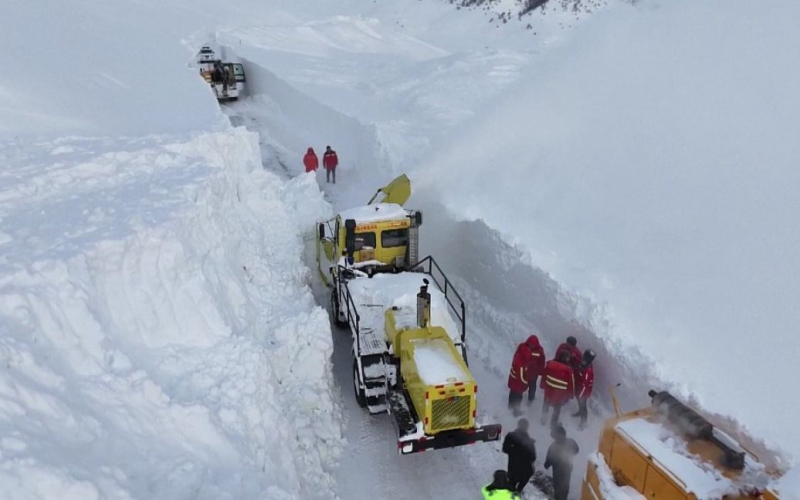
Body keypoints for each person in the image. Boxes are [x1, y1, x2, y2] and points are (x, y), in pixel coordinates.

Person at [540, 350, 575, 428]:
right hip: (559, 393)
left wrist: (542, 385)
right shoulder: (569, 370)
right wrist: (570, 395)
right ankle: (553, 424)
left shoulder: (550, 364)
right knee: (557, 409)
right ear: (567, 359)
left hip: (549, 390)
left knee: (546, 404)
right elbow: (571, 384)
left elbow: (544, 375)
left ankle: (543, 419)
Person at [544, 424, 579, 500]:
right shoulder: (571, 442)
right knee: (564, 491)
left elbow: (546, 465)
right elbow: (576, 450)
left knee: (559, 491)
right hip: (567, 470)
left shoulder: (553, 446)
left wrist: (552, 460)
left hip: (558, 472)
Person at [502, 419, 536, 494]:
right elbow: (533, 457)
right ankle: (518, 490)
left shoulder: (510, 436)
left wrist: (514, 451)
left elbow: (505, 449)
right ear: (527, 428)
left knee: (511, 488)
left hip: (512, 468)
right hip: (524, 471)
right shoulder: (529, 441)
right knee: (516, 489)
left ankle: (515, 492)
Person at [507, 336, 539, 416]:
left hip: (513, 376)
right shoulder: (523, 361)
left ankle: (510, 405)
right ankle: (516, 411)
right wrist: (525, 382)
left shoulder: (521, 349)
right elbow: (522, 374)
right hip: (519, 379)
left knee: (513, 391)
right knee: (518, 395)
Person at [572, 349, 596, 430]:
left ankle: (584, 421)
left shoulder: (588, 371)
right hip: (579, 388)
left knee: (583, 405)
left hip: (583, 392)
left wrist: (580, 395)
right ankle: (579, 412)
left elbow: (585, 385)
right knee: (580, 403)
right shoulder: (584, 364)